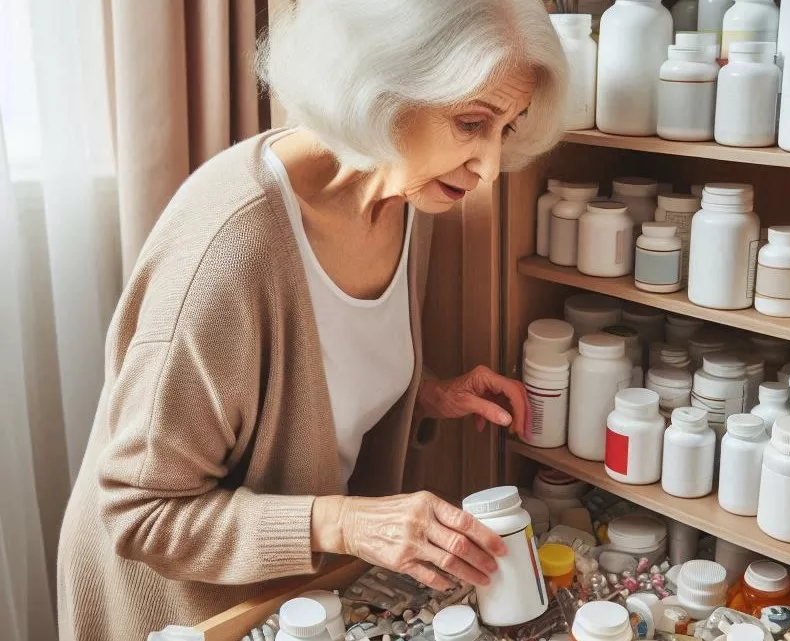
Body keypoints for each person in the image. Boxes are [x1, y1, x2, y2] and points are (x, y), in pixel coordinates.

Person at [56, 1, 567, 638]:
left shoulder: (408, 196)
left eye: (507, 130)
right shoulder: (230, 248)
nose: (489, 166)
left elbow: (308, 380)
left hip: (294, 594)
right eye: (471, 123)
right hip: (180, 603)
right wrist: (349, 523)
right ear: (382, 87)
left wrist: (430, 394)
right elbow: (141, 511)